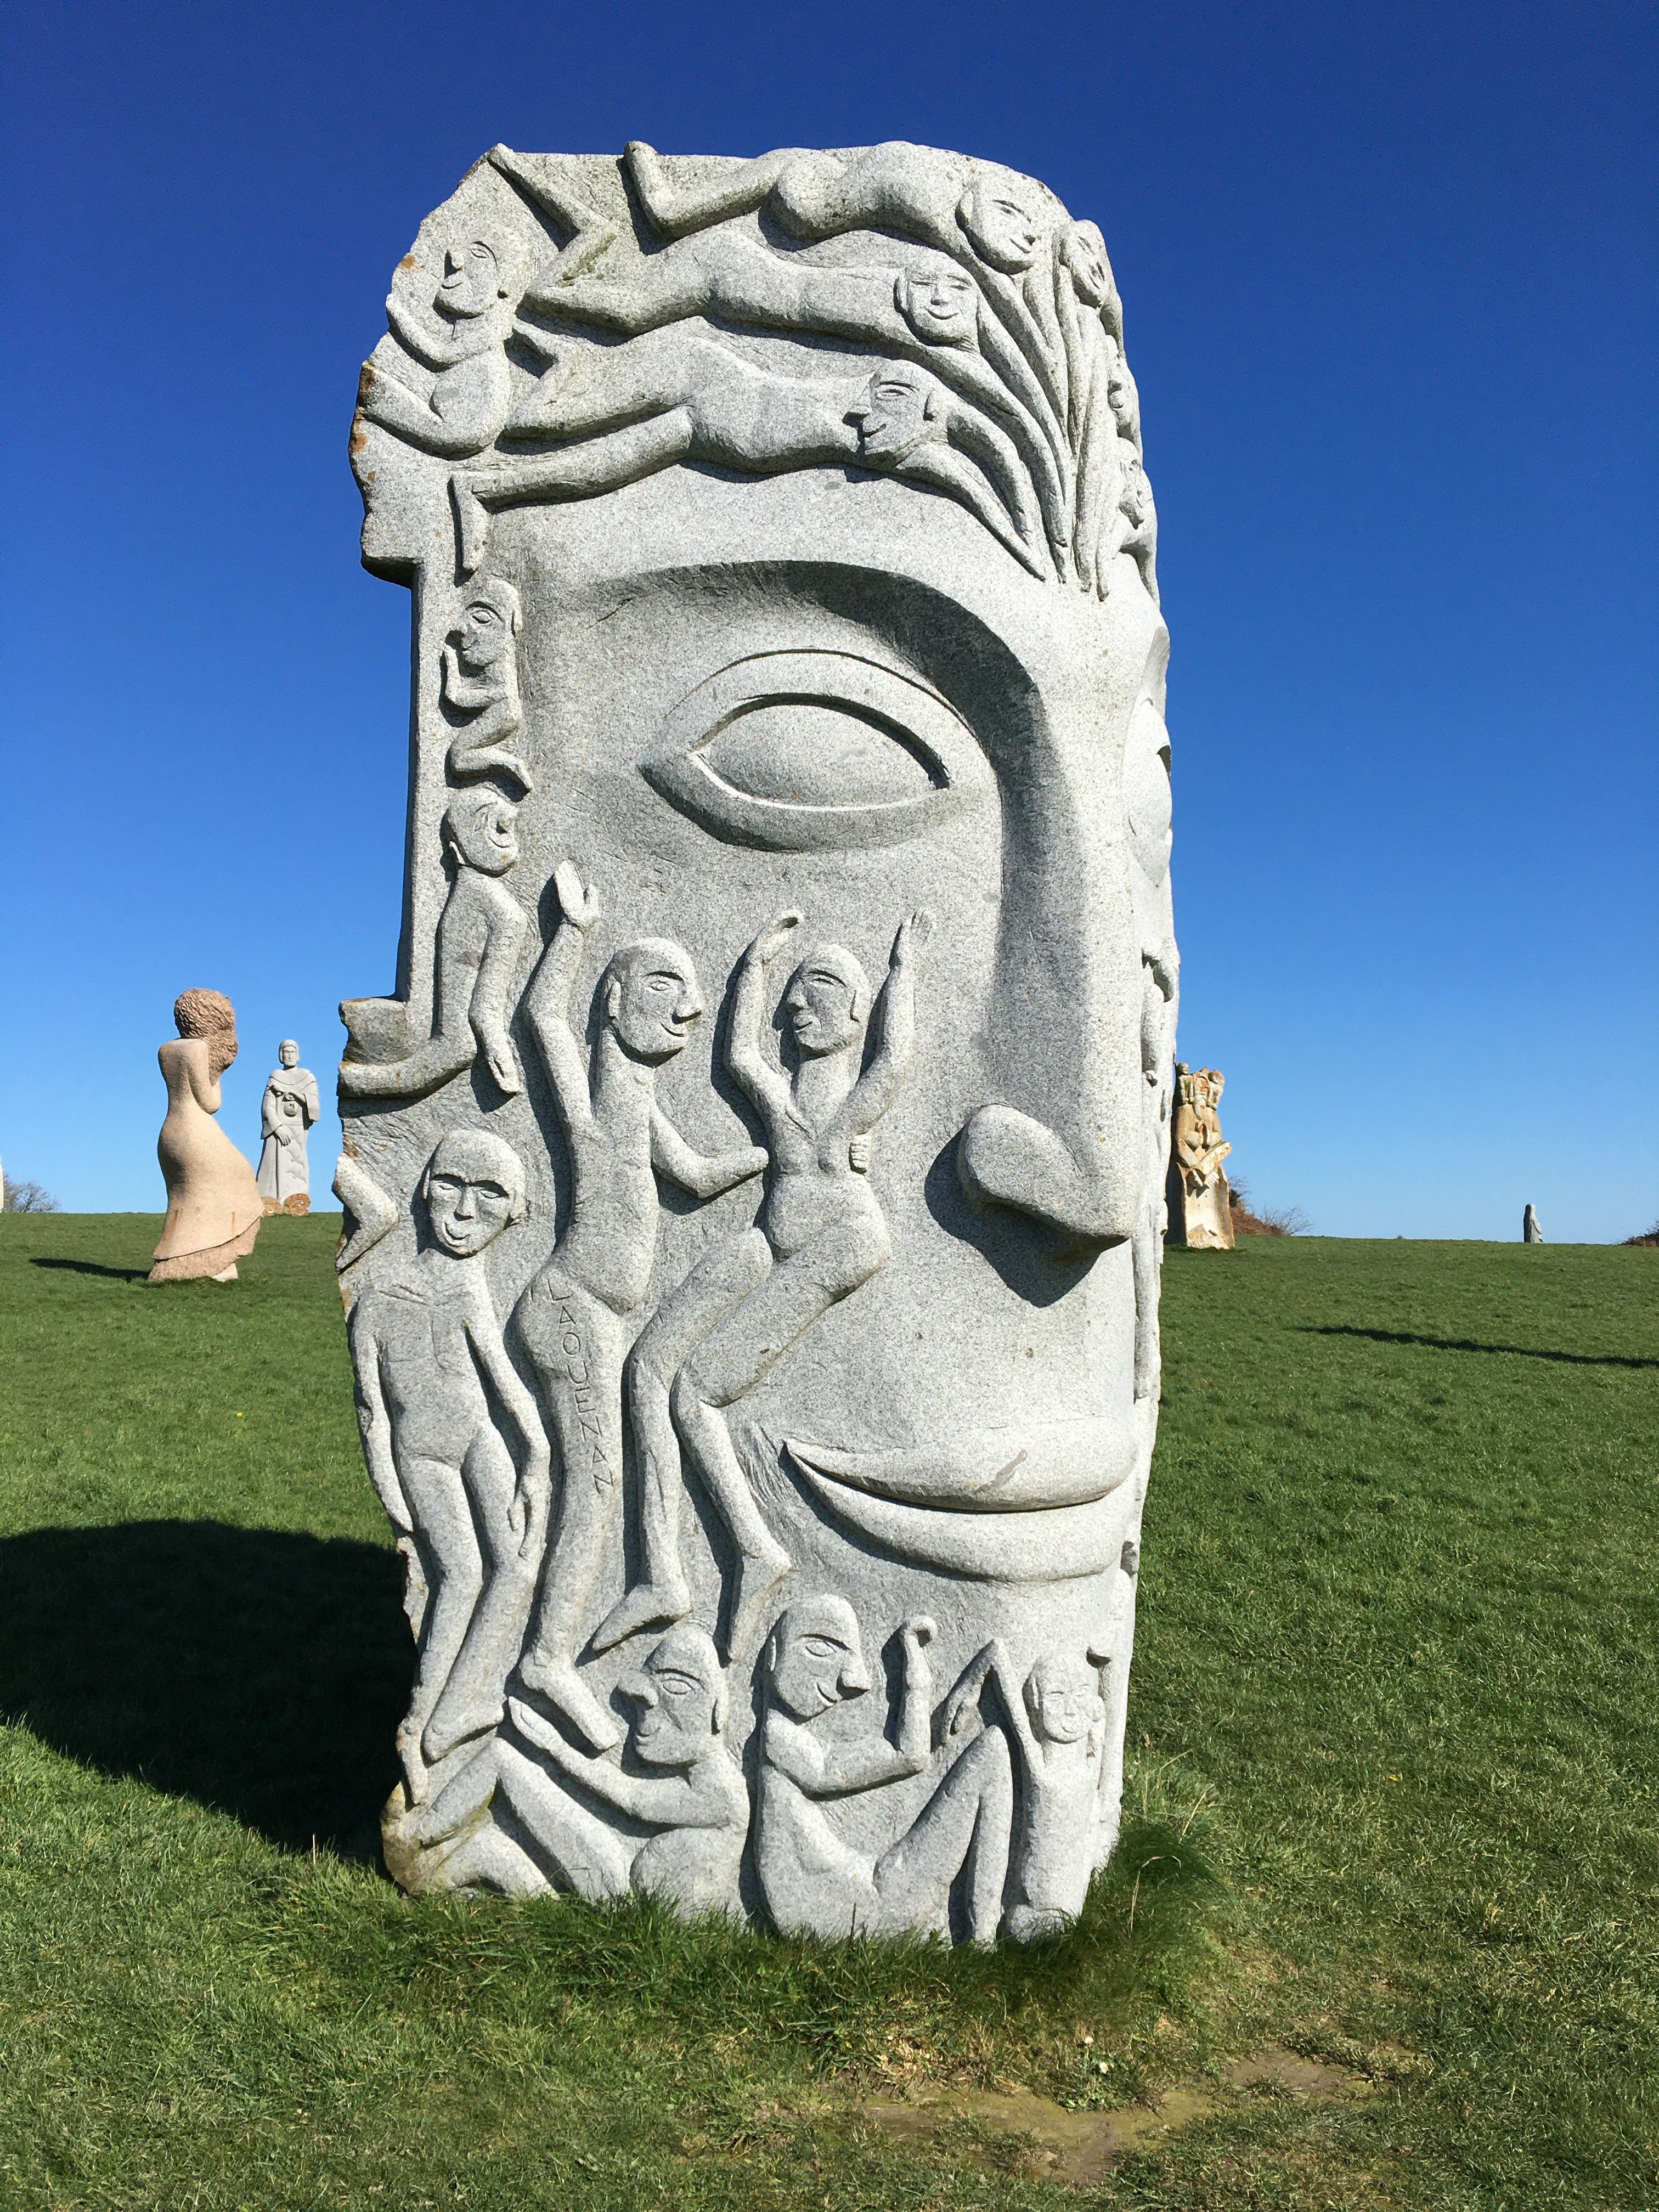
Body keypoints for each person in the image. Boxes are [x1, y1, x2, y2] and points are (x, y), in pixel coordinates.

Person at [605, 910, 929, 1664]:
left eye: (821, 987)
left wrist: (903, 972)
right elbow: (740, 1051)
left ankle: (754, 1551)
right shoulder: (781, 1100)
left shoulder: (852, 1108)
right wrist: (754, 963)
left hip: (843, 1241)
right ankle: (659, 1572)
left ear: (857, 1009)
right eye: (794, 991)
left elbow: (894, 1057)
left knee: (696, 1392)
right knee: (647, 1367)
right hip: (773, 1237)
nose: (797, 1005)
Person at [510, 865, 768, 1750]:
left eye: (692, 994)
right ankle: (545, 1660)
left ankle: (556, 1646)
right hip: (570, 1308)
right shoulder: (595, 1092)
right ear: (615, 1000)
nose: (689, 1009)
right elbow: (542, 1018)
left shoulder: (640, 1100)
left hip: (598, 1320)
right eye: (667, 985)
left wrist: (771, 1158)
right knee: (595, 1487)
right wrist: (574, 933)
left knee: (595, 1481)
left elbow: (692, 1175)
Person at [348, 1131, 550, 1791]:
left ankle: (453, 1713)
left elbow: (501, 1379)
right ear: (425, 1189)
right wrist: (391, 1491)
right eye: (450, 1187)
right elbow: (373, 1405)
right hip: (424, 1454)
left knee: (516, 1567)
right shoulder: (379, 1298)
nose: (464, 1212)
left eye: (489, 1195)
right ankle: (420, 1726)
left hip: (478, 1437)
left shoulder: (468, 1290)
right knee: (460, 1576)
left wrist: (537, 1452)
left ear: (515, 1211)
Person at [394, 1625, 748, 1912]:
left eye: (676, 1689)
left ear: (719, 1710)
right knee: (489, 1847)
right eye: (643, 1701)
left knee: (501, 1761)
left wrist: (555, 1748)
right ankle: (421, 1866)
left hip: (622, 1902)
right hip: (621, 1892)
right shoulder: (710, 1781)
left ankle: (415, 1840)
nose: (647, 1711)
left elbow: (632, 1799)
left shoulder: (724, 1792)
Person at [754, 1598, 1012, 1943]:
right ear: (773, 1653)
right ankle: (982, 1938)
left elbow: (908, 1754)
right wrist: (915, 1669)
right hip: (862, 1910)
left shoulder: (782, 1741)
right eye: (820, 1649)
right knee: (993, 1751)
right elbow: (908, 1756)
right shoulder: (781, 1740)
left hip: (856, 1900)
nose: (850, 1680)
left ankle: (982, 1935)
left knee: (991, 1750)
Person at [338, 787, 526, 1102]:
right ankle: (357, 1080)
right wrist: (498, 1049)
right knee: (458, 1045)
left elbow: (481, 1014)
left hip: (464, 1038)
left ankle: (357, 1080)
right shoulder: (485, 904)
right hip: (463, 1041)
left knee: (458, 1045)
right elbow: (480, 1014)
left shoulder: (482, 900)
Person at [944, 1639, 1110, 1939]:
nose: (1070, 1710)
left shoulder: (1091, 1765)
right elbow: (1001, 1669)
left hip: (1070, 1907)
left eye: (1080, 1695)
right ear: (1036, 1704)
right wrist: (974, 1680)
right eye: (1057, 1696)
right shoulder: (1040, 1769)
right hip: (1032, 1911)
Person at [357, 238, 520, 458]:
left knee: (377, 396)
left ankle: (376, 396)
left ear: (504, 284)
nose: (456, 260)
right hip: (451, 425)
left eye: (478, 255)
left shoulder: (491, 332)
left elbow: (439, 355)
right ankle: (376, 397)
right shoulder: (478, 331)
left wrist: (398, 315)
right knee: (377, 397)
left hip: (462, 429)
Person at [149, 989, 264, 1284]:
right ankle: (211, 1262)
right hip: (196, 1131)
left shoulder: (166, 1049)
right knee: (240, 1177)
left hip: (170, 1134)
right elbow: (210, 1103)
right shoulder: (199, 1049)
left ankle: (184, 1265)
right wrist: (219, 1073)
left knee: (188, 1198)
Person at [255, 1040, 321, 1216]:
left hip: (298, 1129)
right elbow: (267, 1106)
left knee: (296, 1165)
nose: (289, 1056)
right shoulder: (276, 1076)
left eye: (292, 1052)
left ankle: (296, 1200)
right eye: (286, 1052)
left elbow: (315, 1106)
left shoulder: (307, 1077)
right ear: (281, 1055)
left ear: (298, 1055)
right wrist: (278, 1127)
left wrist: (297, 1095)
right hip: (277, 1130)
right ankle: (269, 1201)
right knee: (273, 1164)